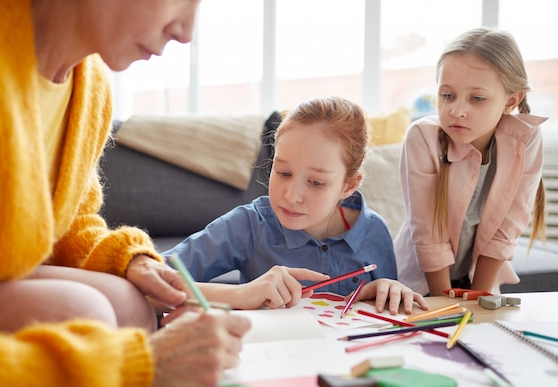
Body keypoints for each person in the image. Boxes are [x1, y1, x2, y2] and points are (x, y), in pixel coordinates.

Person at [0, 1, 252, 387]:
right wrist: (137, 367)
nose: (185, 31)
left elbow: (64, 221)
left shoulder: (89, 83)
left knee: (128, 301)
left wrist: (128, 260)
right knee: (81, 314)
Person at [164, 97, 428, 315]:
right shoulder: (249, 225)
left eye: (315, 182)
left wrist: (385, 288)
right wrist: (240, 295)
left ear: (349, 185)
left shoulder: (373, 232)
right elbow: (157, 278)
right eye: (283, 173)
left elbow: (388, 313)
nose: (291, 196)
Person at [393, 28, 547, 297]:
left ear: (511, 101)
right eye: (447, 95)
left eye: (477, 98)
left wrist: (480, 297)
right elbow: (429, 235)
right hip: (419, 284)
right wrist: (445, 305)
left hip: (477, 277)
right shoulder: (421, 138)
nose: (457, 110)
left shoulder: (527, 139)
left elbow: (506, 227)